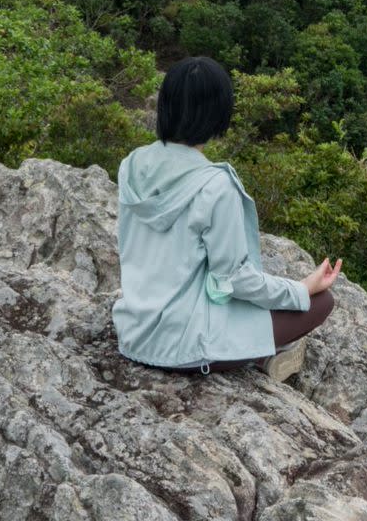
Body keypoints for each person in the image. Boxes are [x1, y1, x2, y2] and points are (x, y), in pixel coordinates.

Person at [113, 55, 341, 380]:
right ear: (219, 114)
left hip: (135, 334)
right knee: (321, 302)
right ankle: (263, 355)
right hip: (185, 349)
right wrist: (302, 288)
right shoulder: (215, 185)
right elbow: (234, 281)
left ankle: (259, 353)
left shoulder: (132, 165)